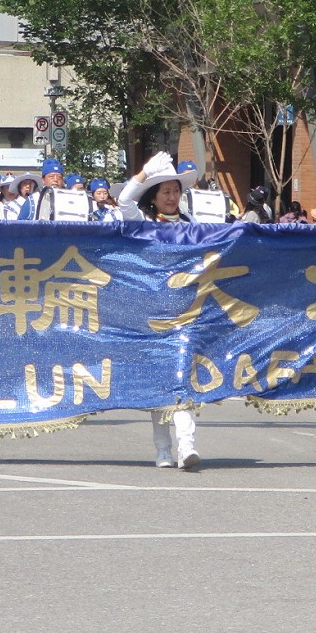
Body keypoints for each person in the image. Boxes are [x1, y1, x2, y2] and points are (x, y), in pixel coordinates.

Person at [118, 152, 203, 471]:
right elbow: (125, 202)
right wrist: (142, 173)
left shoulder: (193, 225)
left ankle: (188, 447)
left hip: (185, 315)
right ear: (154, 197)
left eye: (176, 191)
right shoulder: (143, 224)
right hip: (151, 315)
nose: (171, 197)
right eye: (165, 191)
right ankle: (163, 450)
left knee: (181, 382)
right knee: (159, 386)